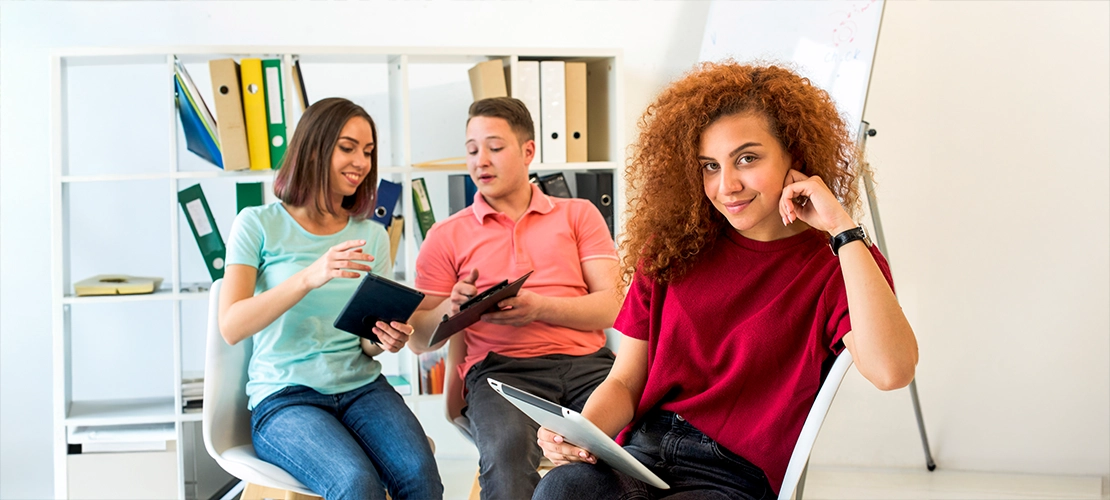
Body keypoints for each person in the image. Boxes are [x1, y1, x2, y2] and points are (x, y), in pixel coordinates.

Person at [533, 61, 919, 500]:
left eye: (747, 159)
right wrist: (581, 434)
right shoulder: (672, 247)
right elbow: (624, 382)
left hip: (731, 477)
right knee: (560, 488)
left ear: (794, 154)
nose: (726, 185)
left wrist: (841, 228)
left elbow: (893, 371)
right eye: (710, 166)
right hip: (639, 454)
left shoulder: (839, 262)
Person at [219, 97, 443, 500]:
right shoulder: (258, 224)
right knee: (356, 485)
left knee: (421, 476)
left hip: (362, 387)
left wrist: (383, 339)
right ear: (315, 147)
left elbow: (366, 344)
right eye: (348, 147)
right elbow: (232, 325)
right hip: (285, 397)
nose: (361, 161)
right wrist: (309, 276)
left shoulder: (372, 233)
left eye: (369, 152)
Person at [407, 97, 623, 499]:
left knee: (641, 444)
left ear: (528, 151)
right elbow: (420, 339)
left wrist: (541, 308)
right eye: (471, 150)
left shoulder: (579, 214)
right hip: (501, 376)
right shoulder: (446, 235)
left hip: (589, 368)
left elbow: (614, 305)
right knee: (506, 455)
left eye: (494, 146)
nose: (480, 160)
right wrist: (450, 308)